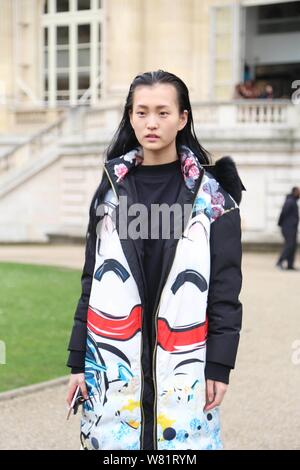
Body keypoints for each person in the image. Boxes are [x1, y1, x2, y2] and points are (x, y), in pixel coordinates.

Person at [66, 70, 245, 450]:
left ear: (182, 119)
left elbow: (226, 292)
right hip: (113, 363)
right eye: (142, 112)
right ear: (130, 117)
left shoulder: (214, 199)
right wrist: (79, 361)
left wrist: (219, 366)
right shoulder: (109, 191)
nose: (151, 122)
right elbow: (91, 282)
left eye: (163, 113)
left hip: (183, 365)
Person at [276, 187, 300, 270]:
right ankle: (279, 262)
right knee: (289, 245)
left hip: (292, 228)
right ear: (295, 192)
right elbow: (283, 213)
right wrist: (280, 224)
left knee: (293, 246)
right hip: (288, 228)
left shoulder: (293, 201)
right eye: (298, 192)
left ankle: (290, 265)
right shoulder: (290, 202)